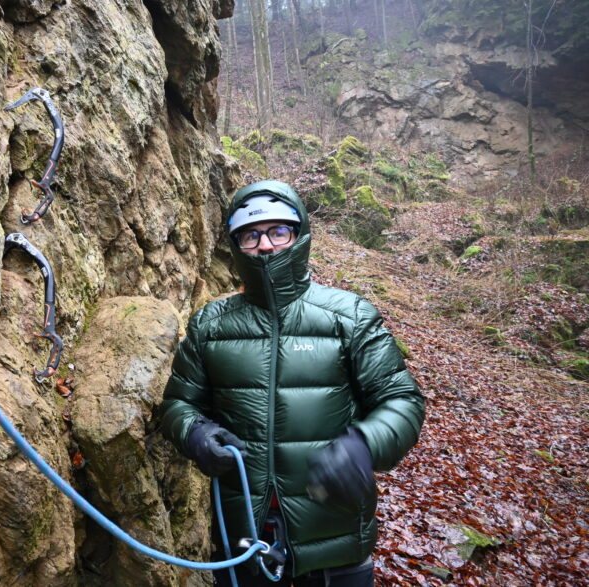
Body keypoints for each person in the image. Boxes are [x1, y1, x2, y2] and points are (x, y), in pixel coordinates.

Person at [160, 180, 425, 586]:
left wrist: (363, 445)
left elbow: (402, 400)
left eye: (277, 232)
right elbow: (179, 404)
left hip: (336, 543)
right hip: (244, 540)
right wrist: (195, 433)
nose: (265, 245)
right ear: (236, 245)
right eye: (250, 235)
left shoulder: (349, 316)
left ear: (298, 237)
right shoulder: (210, 324)